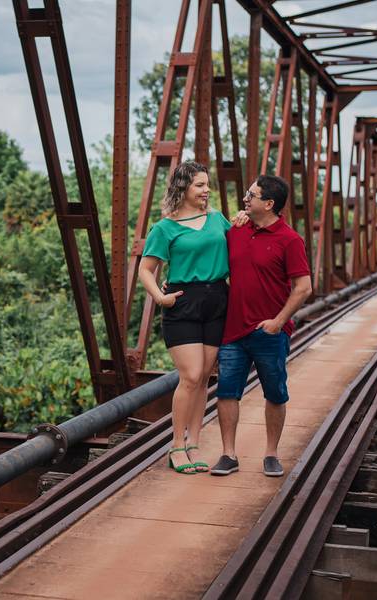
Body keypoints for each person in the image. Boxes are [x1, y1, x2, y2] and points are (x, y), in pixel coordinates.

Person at [138, 161, 246, 474]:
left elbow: (238, 243)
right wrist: (159, 296)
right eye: (199, 185)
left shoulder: (216, 219)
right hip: (182, 302)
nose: (206, 190)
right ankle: (175, 446)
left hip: (217, 300)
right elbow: (146, 269)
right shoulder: (165, 227)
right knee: (191, 375)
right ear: (183, 188)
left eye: (207, 184)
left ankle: (194, 443)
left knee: (203, 379)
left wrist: (241, 220)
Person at [210, 174, 312, 478]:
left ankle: (271, 453)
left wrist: (279, 322)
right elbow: (211, 263)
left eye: (251, 196)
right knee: (227, 392)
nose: (245, 199)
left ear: (269, 204)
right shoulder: (236, 231)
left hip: (270, 332)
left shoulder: (290, 240)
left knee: (275, 393)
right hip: (233, 330)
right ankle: (228, 454)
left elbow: (304, 287)